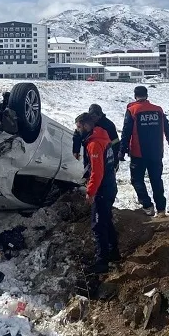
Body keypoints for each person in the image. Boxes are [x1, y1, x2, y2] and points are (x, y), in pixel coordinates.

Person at [119, 86, 169, 217]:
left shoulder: (132, 110)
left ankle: (147, 206)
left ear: (135, 96)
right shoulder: (158, 110)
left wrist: (122, 150)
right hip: (156, 152)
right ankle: (161, 210)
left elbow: (126, 132)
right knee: (156, 180)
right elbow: (167, 129)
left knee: (136, 180)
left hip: (138, 153)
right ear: (147, 95)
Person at [75, 112, 120, 274]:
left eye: (80, 127)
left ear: (87, 126)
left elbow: (97, 171)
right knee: (106, 220)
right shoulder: (102, 136)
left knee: (98, 225)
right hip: (110, 186)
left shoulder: (94, 144)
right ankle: (114, 252)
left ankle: (102, 262)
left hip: (102, 189)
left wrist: (91, 191)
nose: (78, 131)